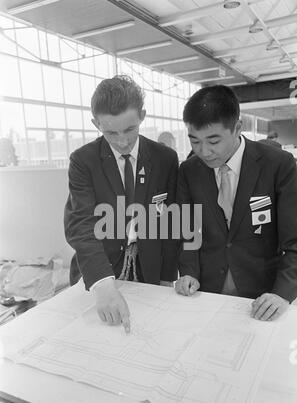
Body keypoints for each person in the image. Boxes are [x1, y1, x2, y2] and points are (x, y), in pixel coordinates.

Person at [64, 75, 179, 332]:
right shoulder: (84, 161)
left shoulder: (165, 159)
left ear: (142, 116)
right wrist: (103, 284)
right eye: (110, 132)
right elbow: (81, 224)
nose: (122, 141)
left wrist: (167, 276)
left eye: (129, 129)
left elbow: (171, 221)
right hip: (99, 268)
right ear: (96, 123)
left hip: (148, 268)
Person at [175, 85, 297, 321]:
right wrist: (188, 272)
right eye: (195, 141)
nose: (204, 151)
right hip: (206, 293)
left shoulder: (278, 165)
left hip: (263, 297)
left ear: (237, 128)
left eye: (213, 140)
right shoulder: (189, 170)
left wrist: (282, 294)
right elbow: (188, 231)